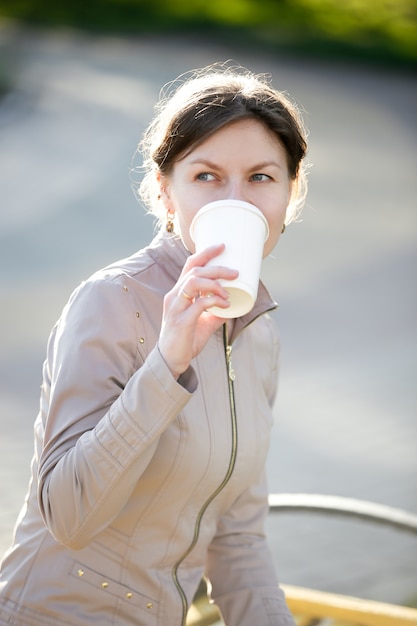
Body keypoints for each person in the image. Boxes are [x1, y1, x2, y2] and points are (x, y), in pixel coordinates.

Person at [0, 62, 308, 626]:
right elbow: (68, 517)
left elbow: (237, 539)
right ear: (166, 192)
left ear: (289, 197)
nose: (235, 199)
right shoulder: (110, 300)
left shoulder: (260, 332)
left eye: (262, 178)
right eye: (207, 176)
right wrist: (168, 363)